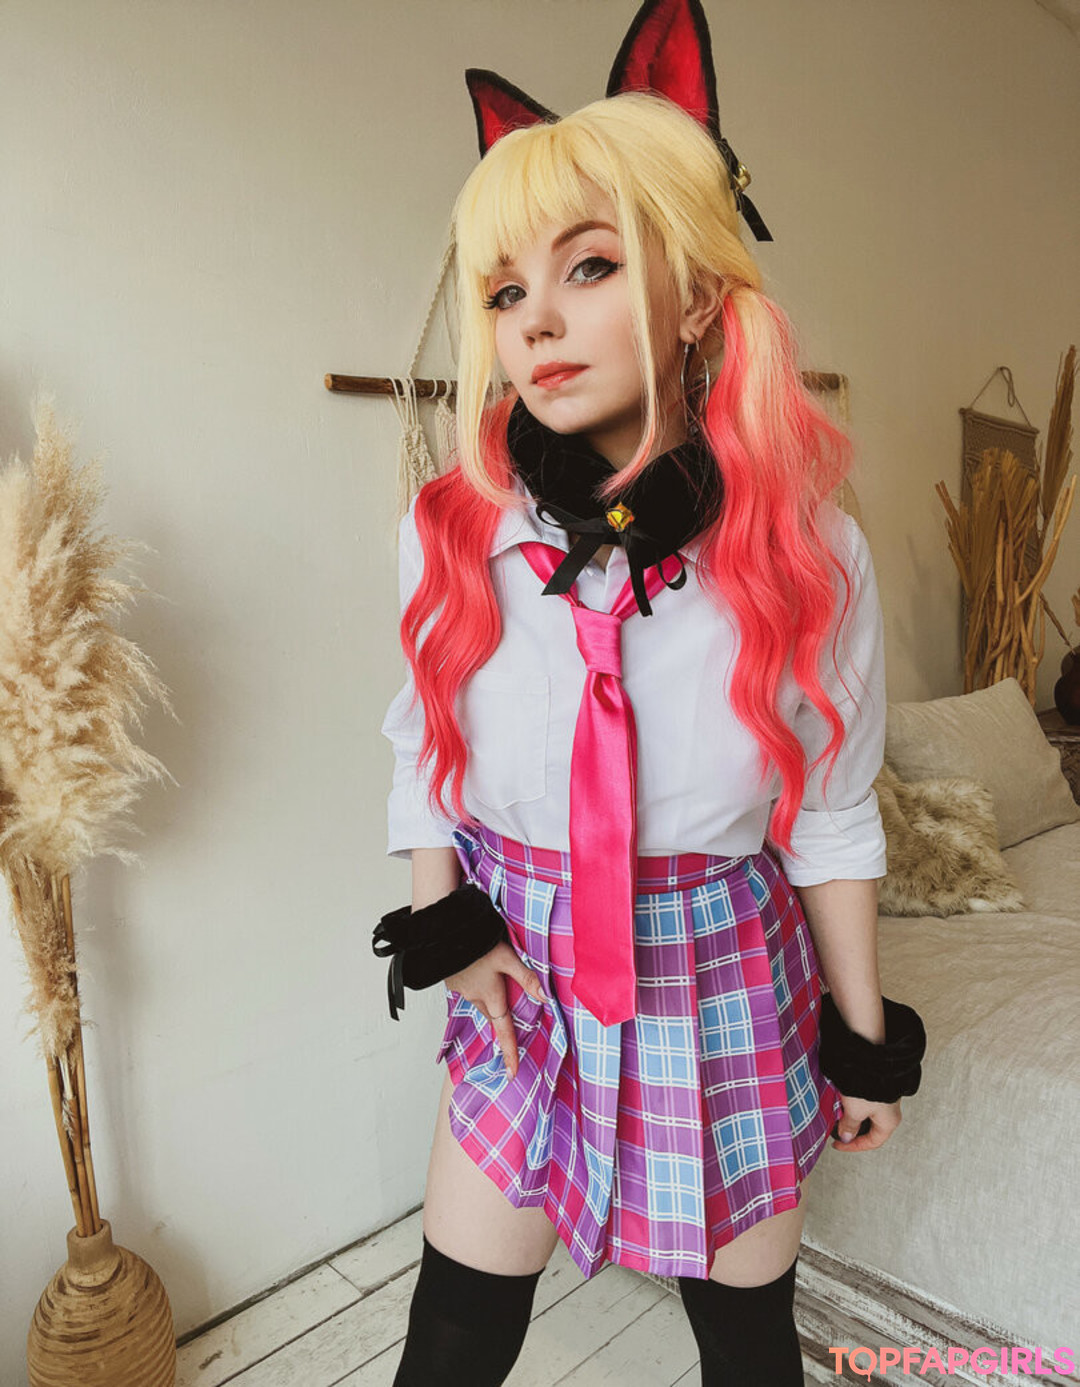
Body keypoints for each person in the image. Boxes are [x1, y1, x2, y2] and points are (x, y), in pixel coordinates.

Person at [373, 2, 925, 1383]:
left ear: (692, 296)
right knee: (452, 1340)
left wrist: (863, 1044)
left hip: (718, 965)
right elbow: (424, 747)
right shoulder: (451, 535)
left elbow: (833, 815)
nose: (538, 323)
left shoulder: (811, 553)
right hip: (522, 966)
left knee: (747, 1350)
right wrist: (447, 927)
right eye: (505, 293)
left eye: (591, 266)